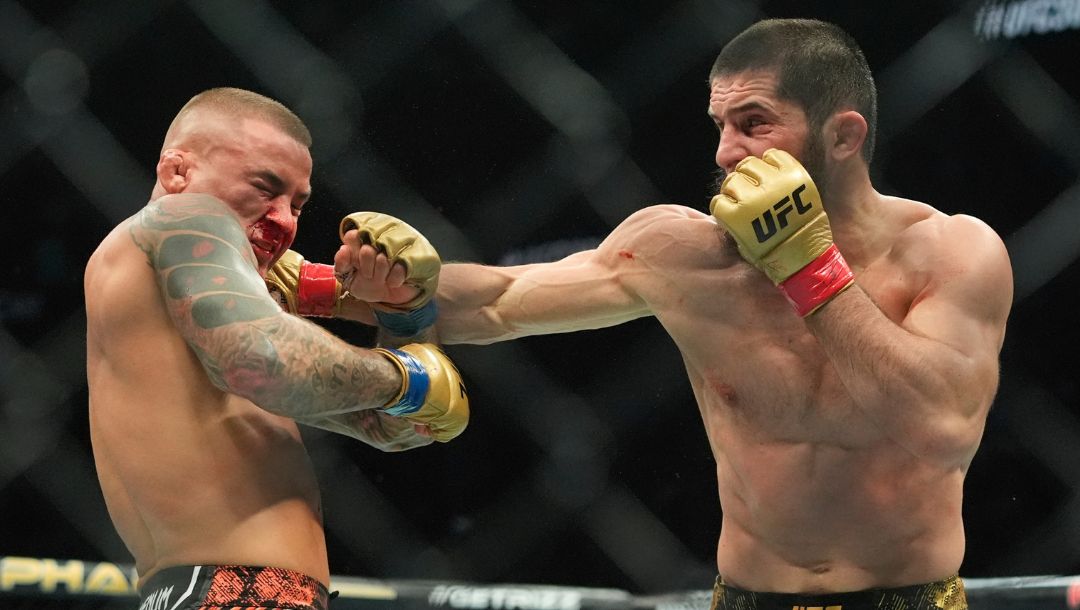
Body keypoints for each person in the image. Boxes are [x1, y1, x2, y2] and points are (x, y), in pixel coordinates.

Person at [335, 18, 1011, 610]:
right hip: (750, 598)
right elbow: (500, 301)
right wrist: (341, 284)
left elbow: (942, 426)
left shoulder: (949, 253)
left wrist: (811, 271)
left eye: (754, 124)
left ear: (842, 136)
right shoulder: (688, 256)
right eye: (720, 127)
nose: (725, 154)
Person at [84, 87, 469, 610]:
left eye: (297, 204)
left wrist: (405, 317)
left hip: (199, 592)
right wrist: (408, 378)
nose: (284, 221)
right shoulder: (187, 217)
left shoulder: (185, 314)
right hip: (239, 592)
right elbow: (262, 360)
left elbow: (391, 428)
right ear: (178, 173)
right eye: (264, 188)